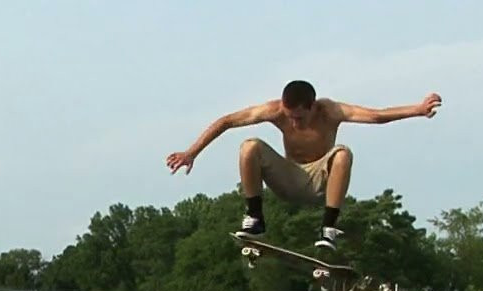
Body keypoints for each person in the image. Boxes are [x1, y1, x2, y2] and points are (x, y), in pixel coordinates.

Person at [165, 80, 441, 252]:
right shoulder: (275, 110)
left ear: (312, 107)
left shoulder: (331, 111)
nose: (293, 123)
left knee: (343, 153)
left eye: (298, 118)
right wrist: (192, 152)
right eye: (289, 117)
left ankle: (329, 228)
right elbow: (227, 121)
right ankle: (255, 217)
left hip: (320, 181)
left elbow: (377, 116)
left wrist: (417, 109)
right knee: (250, 146)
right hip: (288, 178)